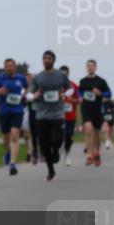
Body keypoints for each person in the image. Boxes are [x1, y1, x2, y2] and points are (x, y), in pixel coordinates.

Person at [27, 50, 71, 182]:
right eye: (44, 58)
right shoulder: (38, 77)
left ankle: (56, 150)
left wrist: (65, 95)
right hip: (42, 116)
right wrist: (34, 96)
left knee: (57, 141)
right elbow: (28, 94)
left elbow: (70, 89)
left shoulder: (61, 76)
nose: (46, 60)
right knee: (44, 145)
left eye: (49, 58)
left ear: (53, 60)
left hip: (57, 114)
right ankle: (51, 171)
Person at [0, 58, 27, 176]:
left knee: (15, 135)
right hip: (4, 112)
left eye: (11, 65)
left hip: (17, 111)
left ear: (15, 67)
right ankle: (8, 152)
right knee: (5, 140)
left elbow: (27, 87)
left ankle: (12, 164)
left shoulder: (21, 78)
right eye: (7, 66)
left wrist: (25, 95)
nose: (9, 67)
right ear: (5, 68)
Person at [79, 59, 111, 167]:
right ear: (86, 67)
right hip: (86, 108)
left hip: (97, 109)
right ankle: (89, 155)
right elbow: (80, 92)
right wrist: (80, 97)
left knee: (96, 133)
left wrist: (100, 93)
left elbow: (109, 93)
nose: (90, 67)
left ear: (95, 67)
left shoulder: (101, 81)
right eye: (88, 66)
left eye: (92, 66)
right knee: (88, 129)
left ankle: (97, 154)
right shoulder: (83, 81)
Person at [59, 65, 80, 167]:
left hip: (70, 116)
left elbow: (79, 100)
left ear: (68, 74)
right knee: (57, 136)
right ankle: (58, 149)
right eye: (61, 74)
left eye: (65, 74)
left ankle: (67, 154)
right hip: (57, 116)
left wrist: (72, 100)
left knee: (68, 136)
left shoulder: (74, 86)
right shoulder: (55, 85)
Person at [25, 71, 39, 164]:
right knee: (31, 134)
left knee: (40, 134)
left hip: (41, 114)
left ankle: (41, 152)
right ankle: (33, 153)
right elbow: (25, 100)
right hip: (31, 113)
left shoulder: (41, 88)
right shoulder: (28, 89)